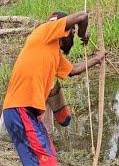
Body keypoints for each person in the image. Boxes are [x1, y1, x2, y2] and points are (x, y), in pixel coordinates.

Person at [2, 11, 105, 165]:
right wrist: (82, 35)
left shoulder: (52, 52)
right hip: (21, 108)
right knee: (47, 160)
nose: (72, 37)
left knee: (37, 159)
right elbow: (82, 16)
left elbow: (73, 70)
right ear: (65, 31)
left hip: (23, 111)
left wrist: (97, 59)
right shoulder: (45, 31)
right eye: (72, 32)